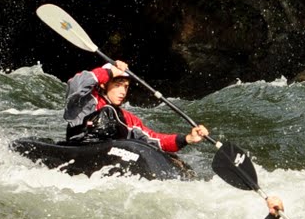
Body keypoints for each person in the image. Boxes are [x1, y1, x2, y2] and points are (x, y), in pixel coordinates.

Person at [63, 60, 207, 153]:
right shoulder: (84, 100)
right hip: (78, 148)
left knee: (112, 114)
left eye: (125, 87)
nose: (123, 91)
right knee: (107, 113)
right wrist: (109, 72)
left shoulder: (126, 118)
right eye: (117, 85)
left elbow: (155, 140)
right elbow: (76, 84)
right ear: (104, 83)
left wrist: (187, 138)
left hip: (107, 154)